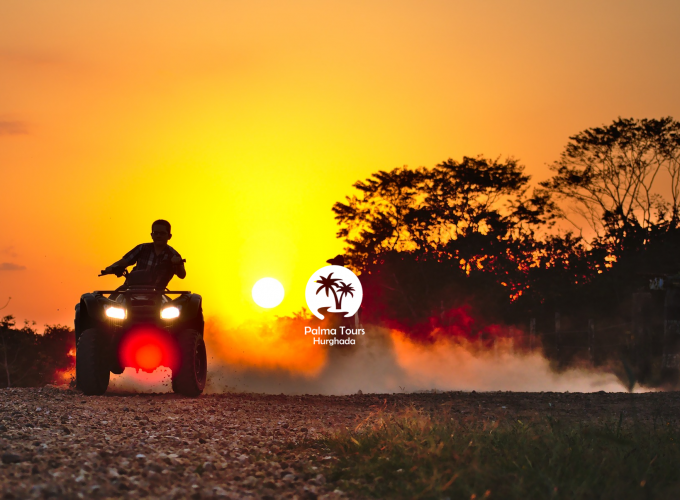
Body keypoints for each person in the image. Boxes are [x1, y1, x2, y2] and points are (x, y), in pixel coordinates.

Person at [103, 219, 186, 290]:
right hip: (131, 290)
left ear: (169, 236)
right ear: (151, 235)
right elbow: (124, 262)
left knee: (175, 306)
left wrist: (178, 264)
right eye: (155, 233)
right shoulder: (142, 248)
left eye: (162, 233)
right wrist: (110, 268)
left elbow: (182, 275)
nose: (158, 236)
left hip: (157, 294)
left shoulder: (174, 255)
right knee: (110, 301)